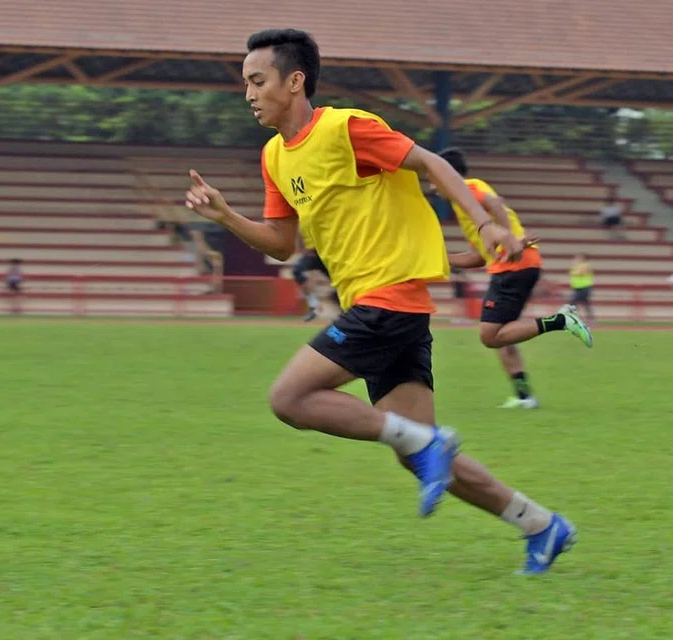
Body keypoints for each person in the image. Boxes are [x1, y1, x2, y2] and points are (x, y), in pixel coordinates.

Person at [183, 28, 576, 574]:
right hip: (391, 310)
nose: (248, 93)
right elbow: (280, 243)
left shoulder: (347, 129)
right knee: (418, 456)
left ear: (294, 82)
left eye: (257, 80)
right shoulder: (275, 156)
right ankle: (541, 525)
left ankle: (426, 442)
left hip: (387, 299)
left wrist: (483, 223)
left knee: (290, 398)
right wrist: (226, 216)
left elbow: (435, 164)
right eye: (245, 83)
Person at [436, 148, 593, 410]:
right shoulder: (464, 205)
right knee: (503, 336)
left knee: (490, 335)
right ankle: (524, 396)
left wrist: (508, 239)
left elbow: (495, 202)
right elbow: (478, 256)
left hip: (514, 265)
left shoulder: (468, 188)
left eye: (434, 175)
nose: (432, 183)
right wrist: (440, 258)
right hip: (517, 264)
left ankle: (562, 319)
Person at [292, 243, 339, 322]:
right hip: (314, 255)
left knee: (338, 281)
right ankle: (314, 305)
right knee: (297, 271)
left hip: (328, 254)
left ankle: (345, 309)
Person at [569, 253, 595, 324]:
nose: (577, 259)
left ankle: (573, 318)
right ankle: (590, 319)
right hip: (577, 287)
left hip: (585, 287)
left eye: (579, 258)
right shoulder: (577, 266)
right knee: (584, 303)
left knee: (574, 302)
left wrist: (574, 267)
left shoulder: (585, 265)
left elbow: (580, 273)